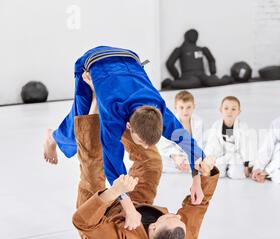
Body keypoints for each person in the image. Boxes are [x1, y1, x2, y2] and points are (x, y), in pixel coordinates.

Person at [43, 46, 211, 228]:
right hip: (94, 63)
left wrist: (197, 181)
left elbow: (191, 146)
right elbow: (112, 165)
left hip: (130, 61)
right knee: (83, 121)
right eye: (141, 141)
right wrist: (129, 209)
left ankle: (59, 133)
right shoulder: (112, 113)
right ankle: (52, 138)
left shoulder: (161, 111)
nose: (145, 147)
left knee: (145, 153)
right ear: (128, 126)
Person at [72, 113, 219, 239]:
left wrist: (115, 191)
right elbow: (200, 203)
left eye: (169, 217)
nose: (177, 215)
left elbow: (83, 221)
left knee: (93, 169)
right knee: (151, 164)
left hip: (98, 221)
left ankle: (92, 117)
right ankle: (130, 125)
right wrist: (205, 173)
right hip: (136, 207)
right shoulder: (181, 238)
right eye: (179, 219)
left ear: (153, 228)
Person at [204, 96, 255, 179]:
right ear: (221, 109)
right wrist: (210, 159)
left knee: (237, 175)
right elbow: (212, 143)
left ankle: (231, 169)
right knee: (217, 174)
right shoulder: (216, 125)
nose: (229, 112)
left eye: (233, 109)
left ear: (239, 112)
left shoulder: (242, 126)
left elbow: (246, 146)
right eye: (226, 108)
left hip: (236, 156)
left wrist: (246, 165)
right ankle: (225, 168)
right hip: (221, 155)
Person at [157, 90, 205, 173]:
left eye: (188, 107)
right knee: (158, 161)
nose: (185, 111)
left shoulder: (198, 122)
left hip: (191, 156)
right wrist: (176, 157)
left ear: (194, 106)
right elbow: (164, 145)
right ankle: (185, 166)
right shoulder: (170, 122)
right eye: (181, 107)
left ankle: (187, 166)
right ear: (175, 107)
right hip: (174, 156)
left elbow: (199, 143)